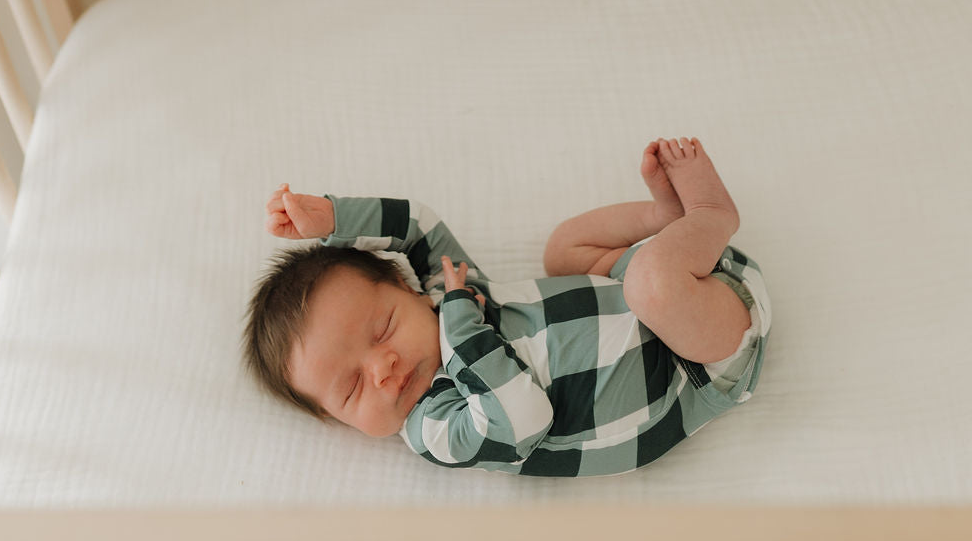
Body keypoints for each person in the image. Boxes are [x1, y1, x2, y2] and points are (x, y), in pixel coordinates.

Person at [241, 137, 772, 476]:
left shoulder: (450, 291)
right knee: (652, 287)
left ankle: (666, 217)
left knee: (562, 249)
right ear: (339, 421)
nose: (382, 369)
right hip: (703, 359)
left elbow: (418, 225)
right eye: (352, 389)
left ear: (409, 292)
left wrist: (334, 219)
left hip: (663, 277)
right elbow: (522, 419)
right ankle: (711, 213)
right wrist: (459, 322)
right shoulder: (435, 426)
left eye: (384, 329)